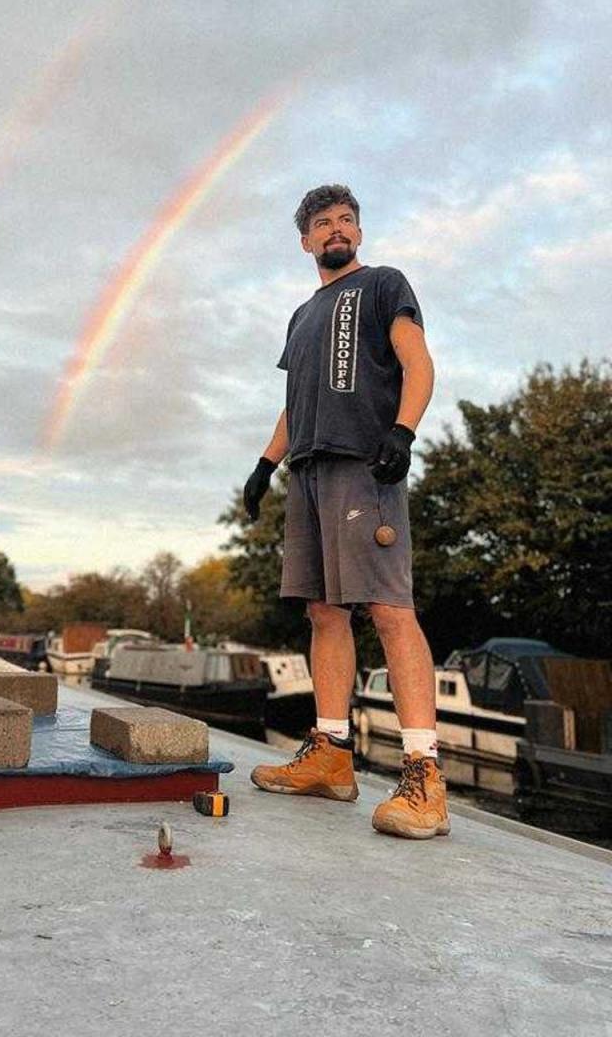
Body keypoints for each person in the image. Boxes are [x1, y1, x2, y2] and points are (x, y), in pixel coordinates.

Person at [245, 184, 449, 839]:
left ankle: (424, 776)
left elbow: (417, 361)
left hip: (365, 463)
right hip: (306, 470)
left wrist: (404, 431)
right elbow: (294, 398)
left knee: (389, 609)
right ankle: (331, 757)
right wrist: (263, 465)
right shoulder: (301, 316)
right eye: (322, 224)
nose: (336, 230)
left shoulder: (385, 285)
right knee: (323, 612)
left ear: (357, 234)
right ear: (305, 241)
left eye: (346, 221)